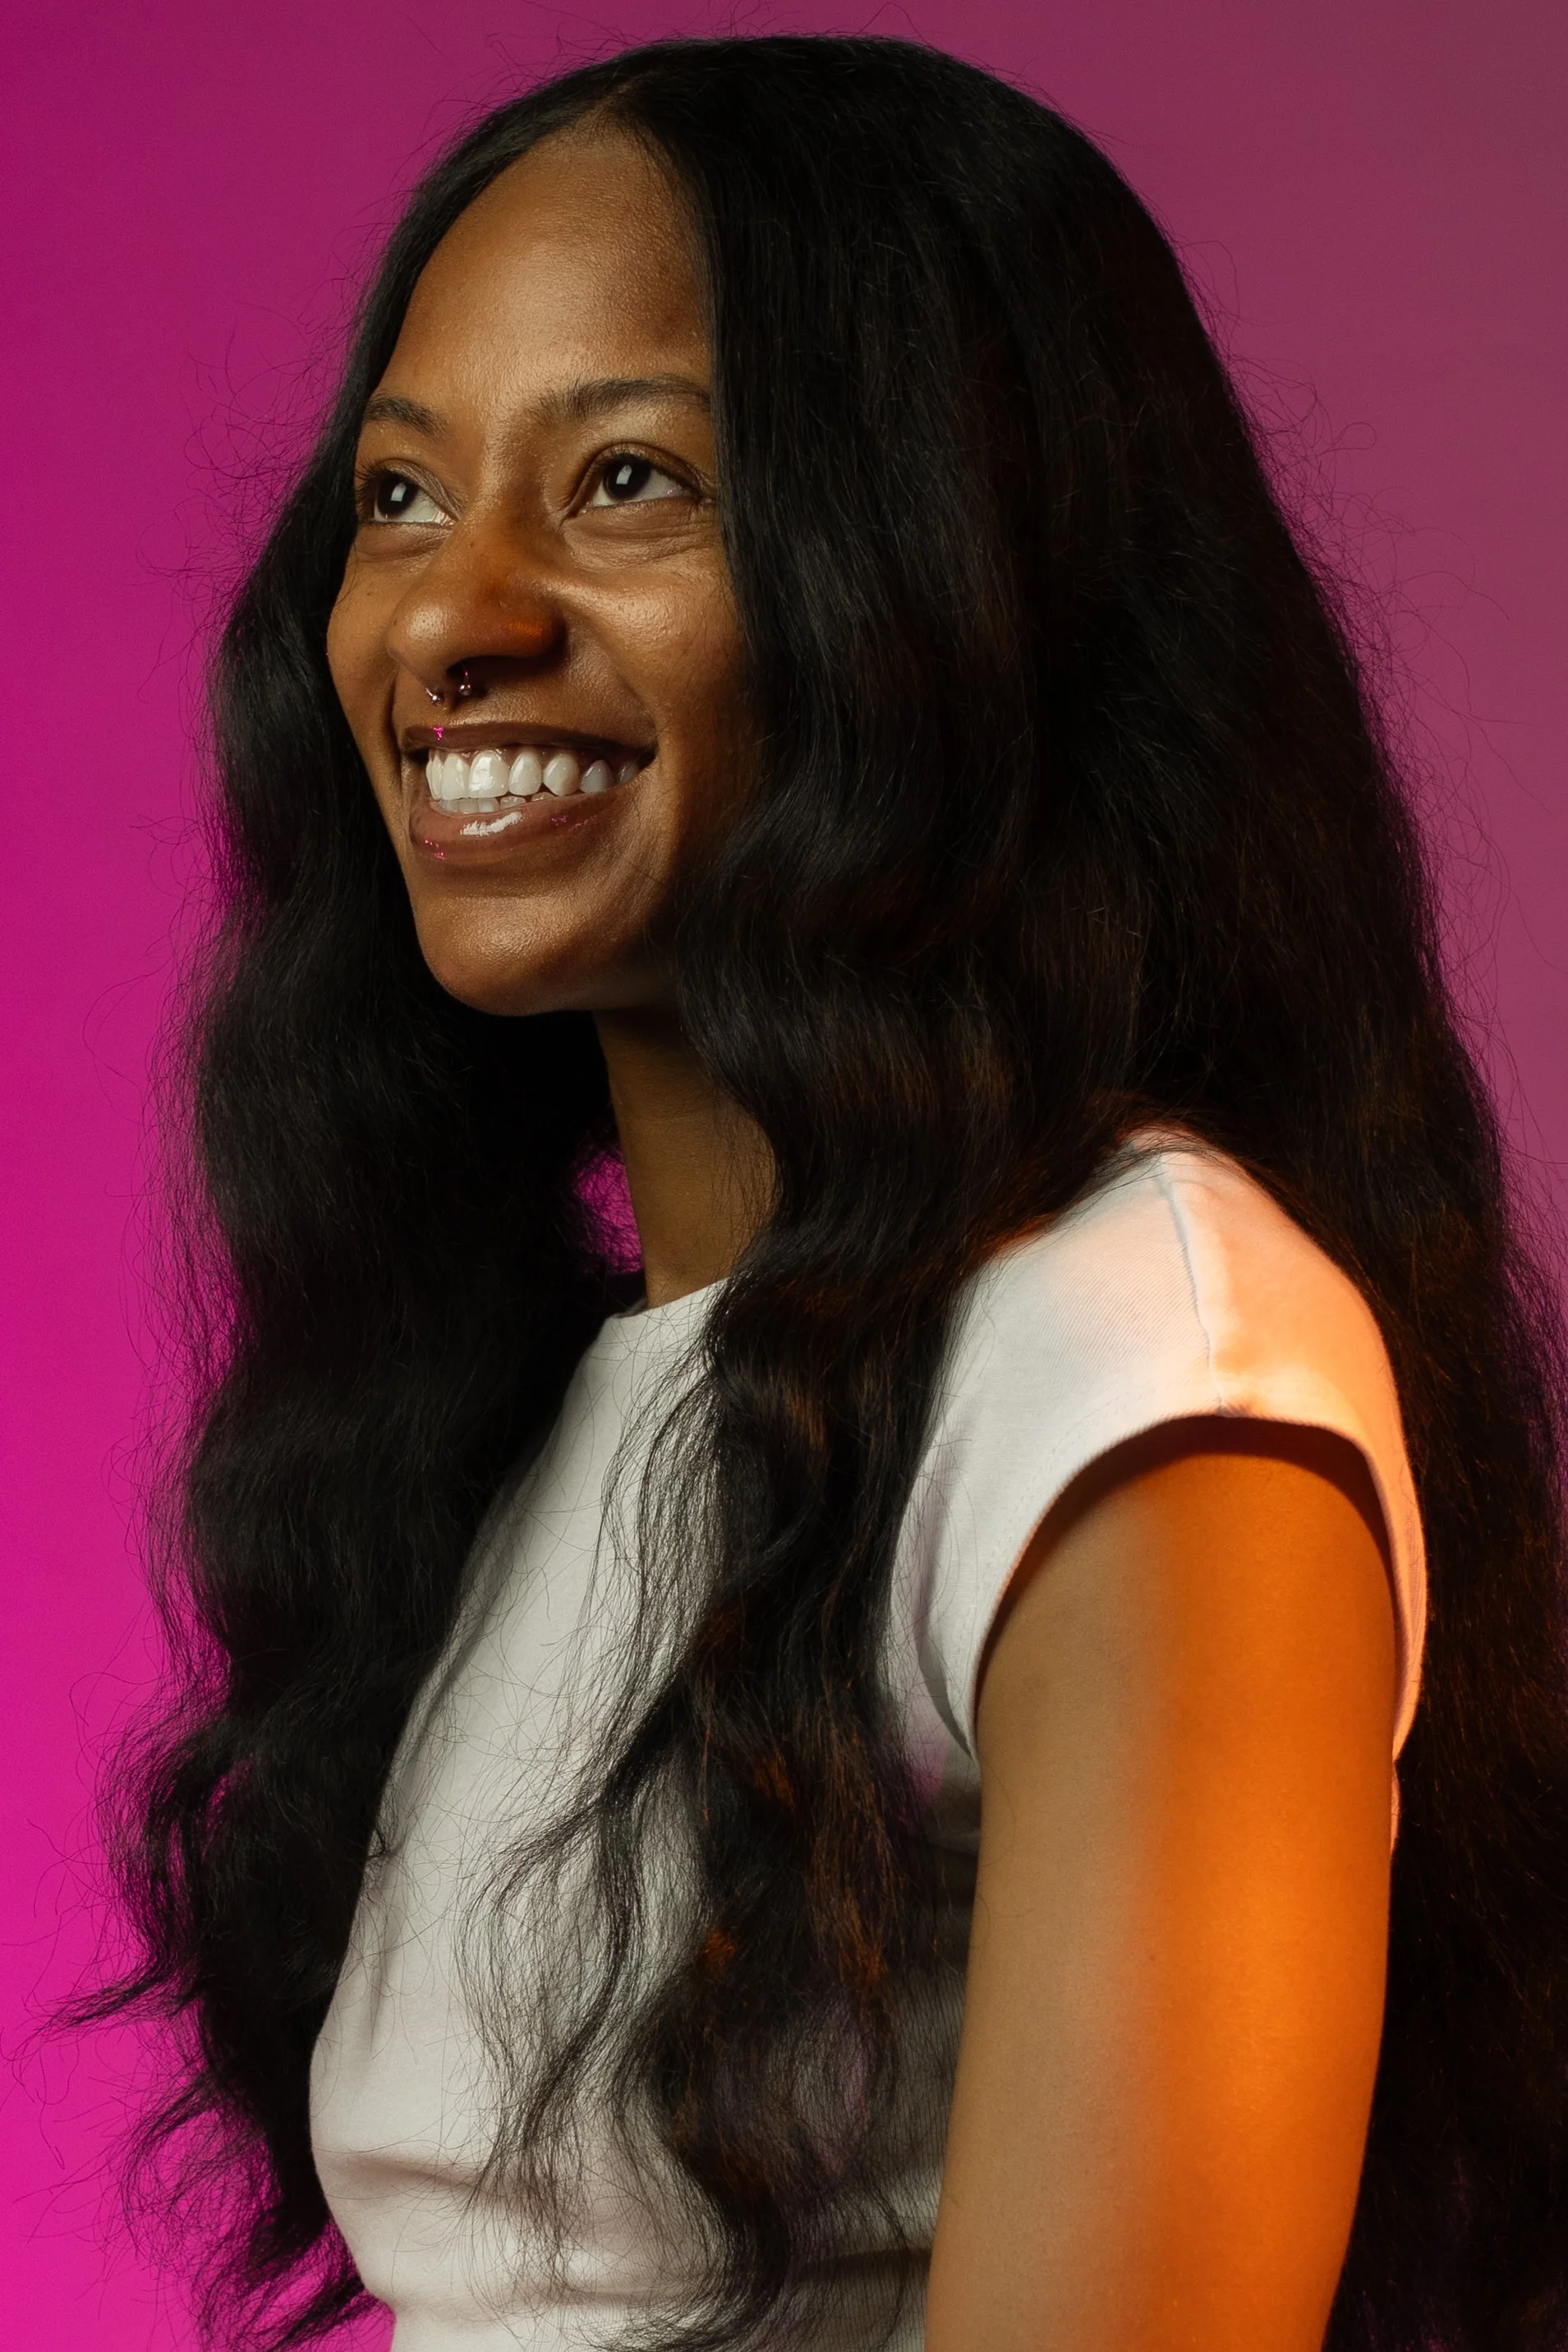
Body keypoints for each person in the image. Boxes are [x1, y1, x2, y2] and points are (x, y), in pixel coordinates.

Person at [99, 33, 1568, 2352]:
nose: (446, 616)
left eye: (626, 479)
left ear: (947, 560)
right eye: (397, 498)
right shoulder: (554, 1411)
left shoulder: (1130, 1358)